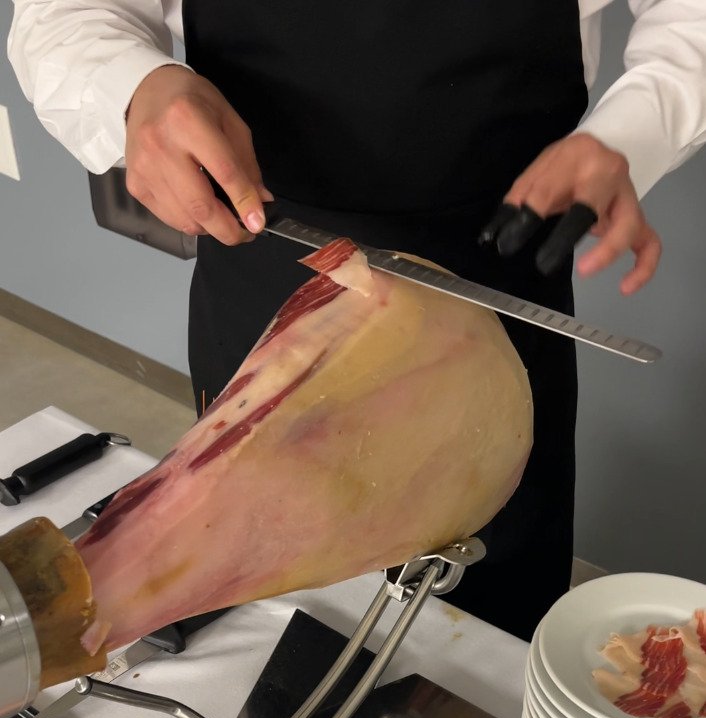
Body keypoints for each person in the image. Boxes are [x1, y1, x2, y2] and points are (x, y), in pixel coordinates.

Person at [8, 0, 706, 641]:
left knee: (482, 644)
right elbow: (66, 15)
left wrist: (632, 133)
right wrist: (134, 91)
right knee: (250, 622)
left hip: (497, 302)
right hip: (270, 278)